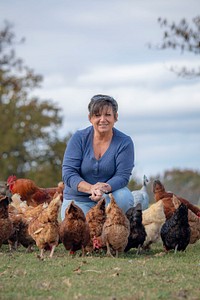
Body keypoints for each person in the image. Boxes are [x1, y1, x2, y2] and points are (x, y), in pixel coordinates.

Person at [61, 94, 135, 220]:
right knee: (81, 231)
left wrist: (103, 188)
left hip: (108, 197)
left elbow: (122, 176)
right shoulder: (79, 138)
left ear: (115, 117)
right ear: (90, 118)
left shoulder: (124, 142)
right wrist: (91, 188)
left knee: (124, 197)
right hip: (79, 198)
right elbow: (68, 173)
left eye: (107, 115)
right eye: (97, 115)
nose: (102, 119)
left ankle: (115, 228)